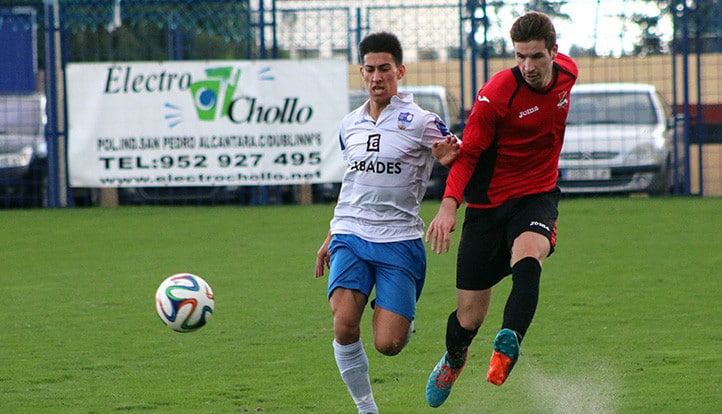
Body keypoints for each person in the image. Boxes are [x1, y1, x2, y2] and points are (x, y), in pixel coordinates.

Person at [423, 11, 578, 408]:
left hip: (537, 195)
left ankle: (508, 343)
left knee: (529, 256)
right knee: (469, 318)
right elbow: (469, 155)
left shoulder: (569, 75)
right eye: (520, 57)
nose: (527, 66)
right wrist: (448, 206)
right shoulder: (496, 95)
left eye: (536, 57)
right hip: (487, 207)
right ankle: (455, 359)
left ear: (554, 53)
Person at [314, 31, 459, 414]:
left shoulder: (422, 121)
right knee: (344, 324)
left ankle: (401, 316)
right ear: (361, 72)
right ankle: (366, 408)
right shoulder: (350, 125)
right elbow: (354, 185)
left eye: (384, 69)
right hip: (351, 234)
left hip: (399, 240)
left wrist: (449, 164)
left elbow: (460, 156)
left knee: (388, 345)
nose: (376, 77)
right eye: (369, 70)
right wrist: (331, 234)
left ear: (400, 71)